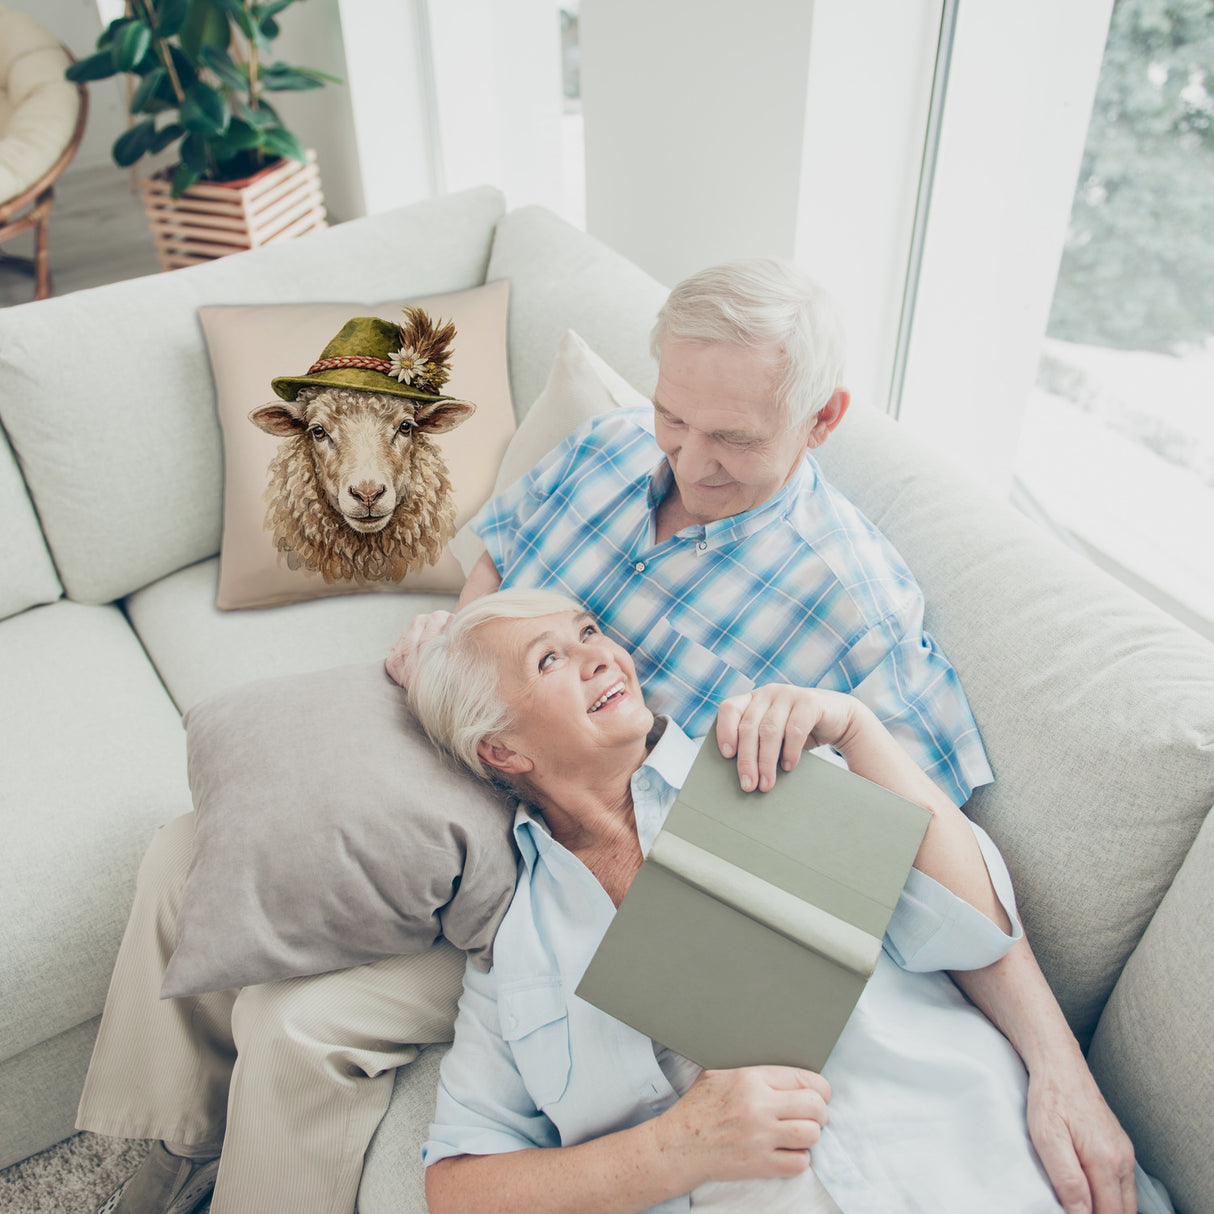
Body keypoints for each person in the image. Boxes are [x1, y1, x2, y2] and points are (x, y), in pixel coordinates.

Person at [79, 260, 1131, 1214]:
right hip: (487, 746)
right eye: (674, 415)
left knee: (300, 1023)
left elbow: (927, 855)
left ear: (820, 420)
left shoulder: (853, 607)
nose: (687, 457)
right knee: (192, 846)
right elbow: (498, 565)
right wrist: (457, 642)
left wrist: (1057, 1063)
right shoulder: (608, 447)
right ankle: (159, 1150)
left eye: (732, 438)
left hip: (577, 852)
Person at [407, 588, 1157, 1214]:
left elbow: (972, 929)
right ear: (502, 750)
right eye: (550, 659)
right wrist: (672, 1150)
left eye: (589, 632)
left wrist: (858, 730)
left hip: (988, 1166)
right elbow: (457, 1186)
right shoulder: (516, 952)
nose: (601, 654)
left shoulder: (761, 761)